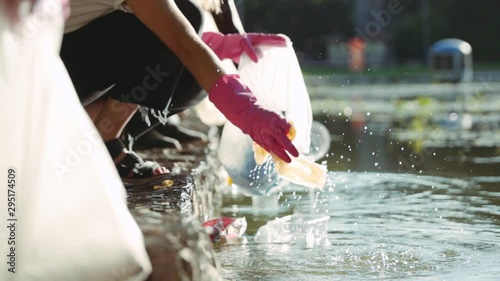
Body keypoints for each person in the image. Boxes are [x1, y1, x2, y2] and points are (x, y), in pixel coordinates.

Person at [60, 0, 299, 183]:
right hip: (46, 70)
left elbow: (171, 32)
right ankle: (106, 142)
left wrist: (219, 45)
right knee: (188, 17)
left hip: (68, 64)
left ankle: (94, 126)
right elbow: (181, 40)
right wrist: (248, 113)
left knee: (191, 82)